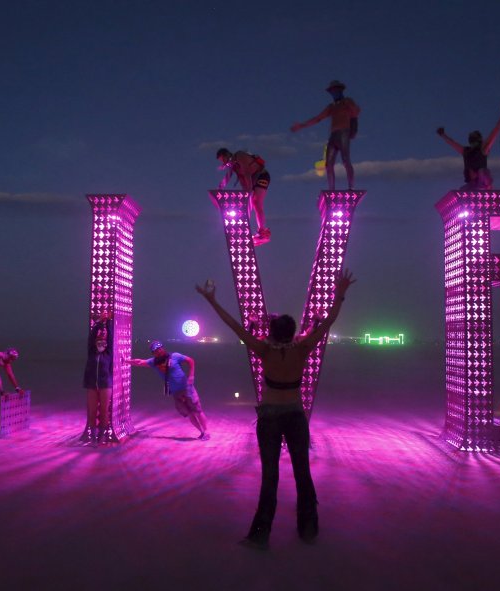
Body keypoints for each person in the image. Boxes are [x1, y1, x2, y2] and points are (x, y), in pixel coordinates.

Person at [196, 270, 355, 549]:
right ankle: (308, 528)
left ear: (272, 332)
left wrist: (211, 301)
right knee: (302, 472)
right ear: (292, 332)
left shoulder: (264, 350)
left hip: (269, 417)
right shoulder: (302, 348)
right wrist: (340, 293)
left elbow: (234, 325)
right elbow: (329, 321)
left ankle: (260, 534)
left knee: (270, 476)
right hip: (295, 415)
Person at [125, 341, 210, 441]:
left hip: (187, 388)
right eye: (156, 351)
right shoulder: (153, 362)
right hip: (176, 393)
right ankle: (201, 432)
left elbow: (190, 360)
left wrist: (191, 375)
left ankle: (206, 432)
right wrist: (126, 361)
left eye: (160, 348)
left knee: (198, 410)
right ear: (153, 353)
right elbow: (139, 362)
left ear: (163, 348)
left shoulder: (175, 356)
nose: (159, 351)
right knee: (189, 413)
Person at [290, 80, 361, 191]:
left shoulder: (347, 102)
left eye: (336, 90)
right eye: (332, 91)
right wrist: (302, 125)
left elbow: (355, 113)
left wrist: (354, 130)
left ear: (340, 90)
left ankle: (351, 187)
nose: (334, 93)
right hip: (334, 135)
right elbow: (318, 118)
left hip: (343, 132)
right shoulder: (331, 107)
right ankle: (331, 189)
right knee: (328, 164)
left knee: (345, 160)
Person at [436, 106, 500, 190]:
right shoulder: (468, 151)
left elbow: (495, 132)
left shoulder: (478, 150)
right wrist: (443, 135)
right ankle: (478, 186)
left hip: (482, 182)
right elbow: (452, 143)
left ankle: (482, 186)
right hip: (474, 183)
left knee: (481, 171)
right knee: (465, 187)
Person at [217, 148, 272, 246]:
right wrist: (220, 187)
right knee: (251, 203)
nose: (225, 163)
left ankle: (262, 232)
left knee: (257, 203)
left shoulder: (239, 156)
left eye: (223, 160)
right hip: (252, 180)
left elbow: (247, 173)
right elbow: (230, 176)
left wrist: (249, 190)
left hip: (262, 176)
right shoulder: (234, 166)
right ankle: (251, 230)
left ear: (227, 155)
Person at [82, 314, 113, 444]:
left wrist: (108, 323)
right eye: (98, 339)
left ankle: (102, 434)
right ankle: (93, 436)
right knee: (92, 411)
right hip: (91, 384)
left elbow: (110, 338)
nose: (101, 341)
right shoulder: (91, 352)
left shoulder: (108, 353)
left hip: (105, 384)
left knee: (104, 411)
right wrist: (99, 323)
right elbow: (91, 338)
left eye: (103, 340)